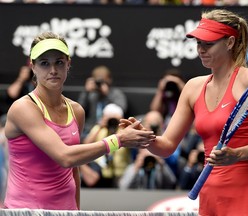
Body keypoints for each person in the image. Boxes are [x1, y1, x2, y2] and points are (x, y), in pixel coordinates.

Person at [120, 9, 248, 216]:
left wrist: (238, 154)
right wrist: (145, 138)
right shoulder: (192, 87)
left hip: (246, 197)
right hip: (209, 198)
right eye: (198, 43)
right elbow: (167, 146)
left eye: (208, 43)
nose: (201, 49)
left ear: (230, 43)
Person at [3, 31, 156, 210]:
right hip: (24, 212)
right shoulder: (23, 108)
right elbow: (65, 157)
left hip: (67, 211)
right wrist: (119, 140)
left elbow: (73, 168)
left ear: (68, 64)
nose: (53, 70)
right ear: (33, 66)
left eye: (59, 62)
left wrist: (76, 211)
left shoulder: (76, 111)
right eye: (44, 63)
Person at [80, 103, 131, 188]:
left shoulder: (123, 131)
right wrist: (100, 125)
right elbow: (86, 145)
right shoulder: (99, 129)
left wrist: (122, 127)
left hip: (120, 173)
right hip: (100, 171)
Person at [78, 65, 128, 139]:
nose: (100, 85)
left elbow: (120, 110)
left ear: (109, 80)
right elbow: (78, 111)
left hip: (108, 129)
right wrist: (86, 92)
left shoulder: (116, 93)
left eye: (103, 81)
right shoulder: (90, 94)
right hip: (90, 127)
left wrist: (107, 94)